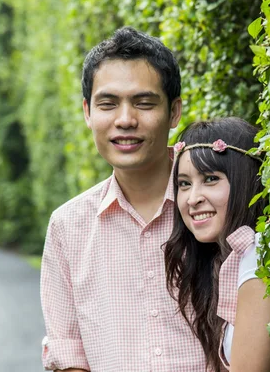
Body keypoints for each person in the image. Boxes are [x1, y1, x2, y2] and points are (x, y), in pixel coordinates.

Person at [40, 27, 207, 371]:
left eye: (144, 103)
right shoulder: (68, 228)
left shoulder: (220, 204)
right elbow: (68, 354)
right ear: (88, 112)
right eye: (108, 104)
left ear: (174, 112)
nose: (126, 120)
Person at [164, 118, 270, 372]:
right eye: (184, 184)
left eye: (210, 179)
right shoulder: (243, 256)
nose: (192, 199)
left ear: (246, 181)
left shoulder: (262, 255)